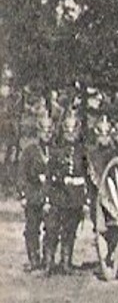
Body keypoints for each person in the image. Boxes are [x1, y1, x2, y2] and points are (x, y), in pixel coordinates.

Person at [44, 112, 88, 274]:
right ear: (63, 132)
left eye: (74, 131)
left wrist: (85, 198)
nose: (71, 134)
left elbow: (87, 175)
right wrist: (48, 197)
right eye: (68, 131)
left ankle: (66, 263)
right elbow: (49, 175)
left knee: (70, 231)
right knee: (52, 229)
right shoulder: (56, 151)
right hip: (59, 195)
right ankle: (49, 263)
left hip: (75, 198)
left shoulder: (82, 153)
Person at [17, 115, 54, 272]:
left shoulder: (56, 150)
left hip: (51, 197)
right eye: (44, 130)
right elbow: (21, 174)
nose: (47, 134)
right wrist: (23, 195)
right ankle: (34, 260)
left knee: (52, 228)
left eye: (50, 130)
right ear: (38, 131)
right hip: (33, 195)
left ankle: (47, 260)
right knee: (32, 229)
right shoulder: (29, 151)